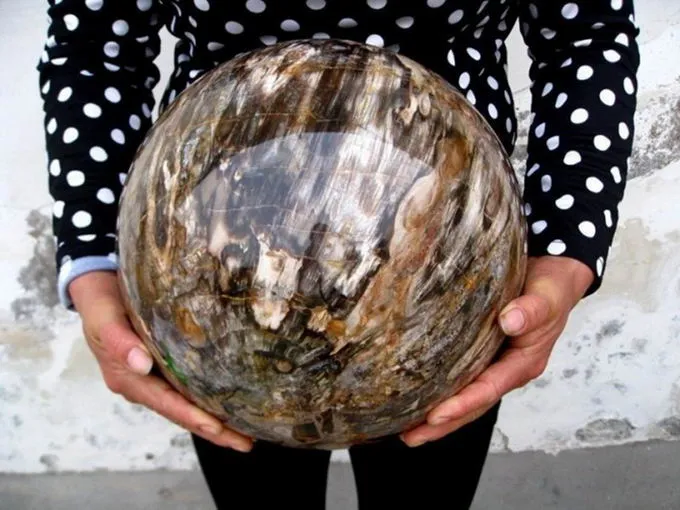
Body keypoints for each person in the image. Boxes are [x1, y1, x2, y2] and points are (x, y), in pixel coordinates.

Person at [37, 1, 639, 508]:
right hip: (211, 266)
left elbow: (585, 33)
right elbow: (95, 49)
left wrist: (566, 249)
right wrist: (93, 260)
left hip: (447, 269)